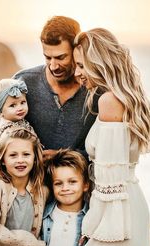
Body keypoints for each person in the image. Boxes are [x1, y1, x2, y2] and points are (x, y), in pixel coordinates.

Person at [33, 28, 150, 246]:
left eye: (83, 65)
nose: (77, 72)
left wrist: (89, 227)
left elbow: (109, 185)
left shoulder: (109, 101)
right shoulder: (127, 98)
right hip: (129, 206)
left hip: (117, 214)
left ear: (100, 63)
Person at [13, 16, 99, 159]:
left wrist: (61, 157)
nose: (53, 66)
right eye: (48, 57)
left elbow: (105, 149)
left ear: (77, 50)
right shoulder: (23, 81)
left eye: (61, 57)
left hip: (79, 180)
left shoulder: (96, 90)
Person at [36, 149, 90, 246]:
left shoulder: (90, 219)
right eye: (58, 183)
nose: (65, 188)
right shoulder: (43, 215)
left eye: (72, 182)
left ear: (85, 185)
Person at [0, 78, 35, 174]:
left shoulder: (23, 123)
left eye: (23, 102)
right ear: (1, 110)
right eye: (12, 105)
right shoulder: (5, 128)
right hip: (1, 171)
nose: (20, 108)